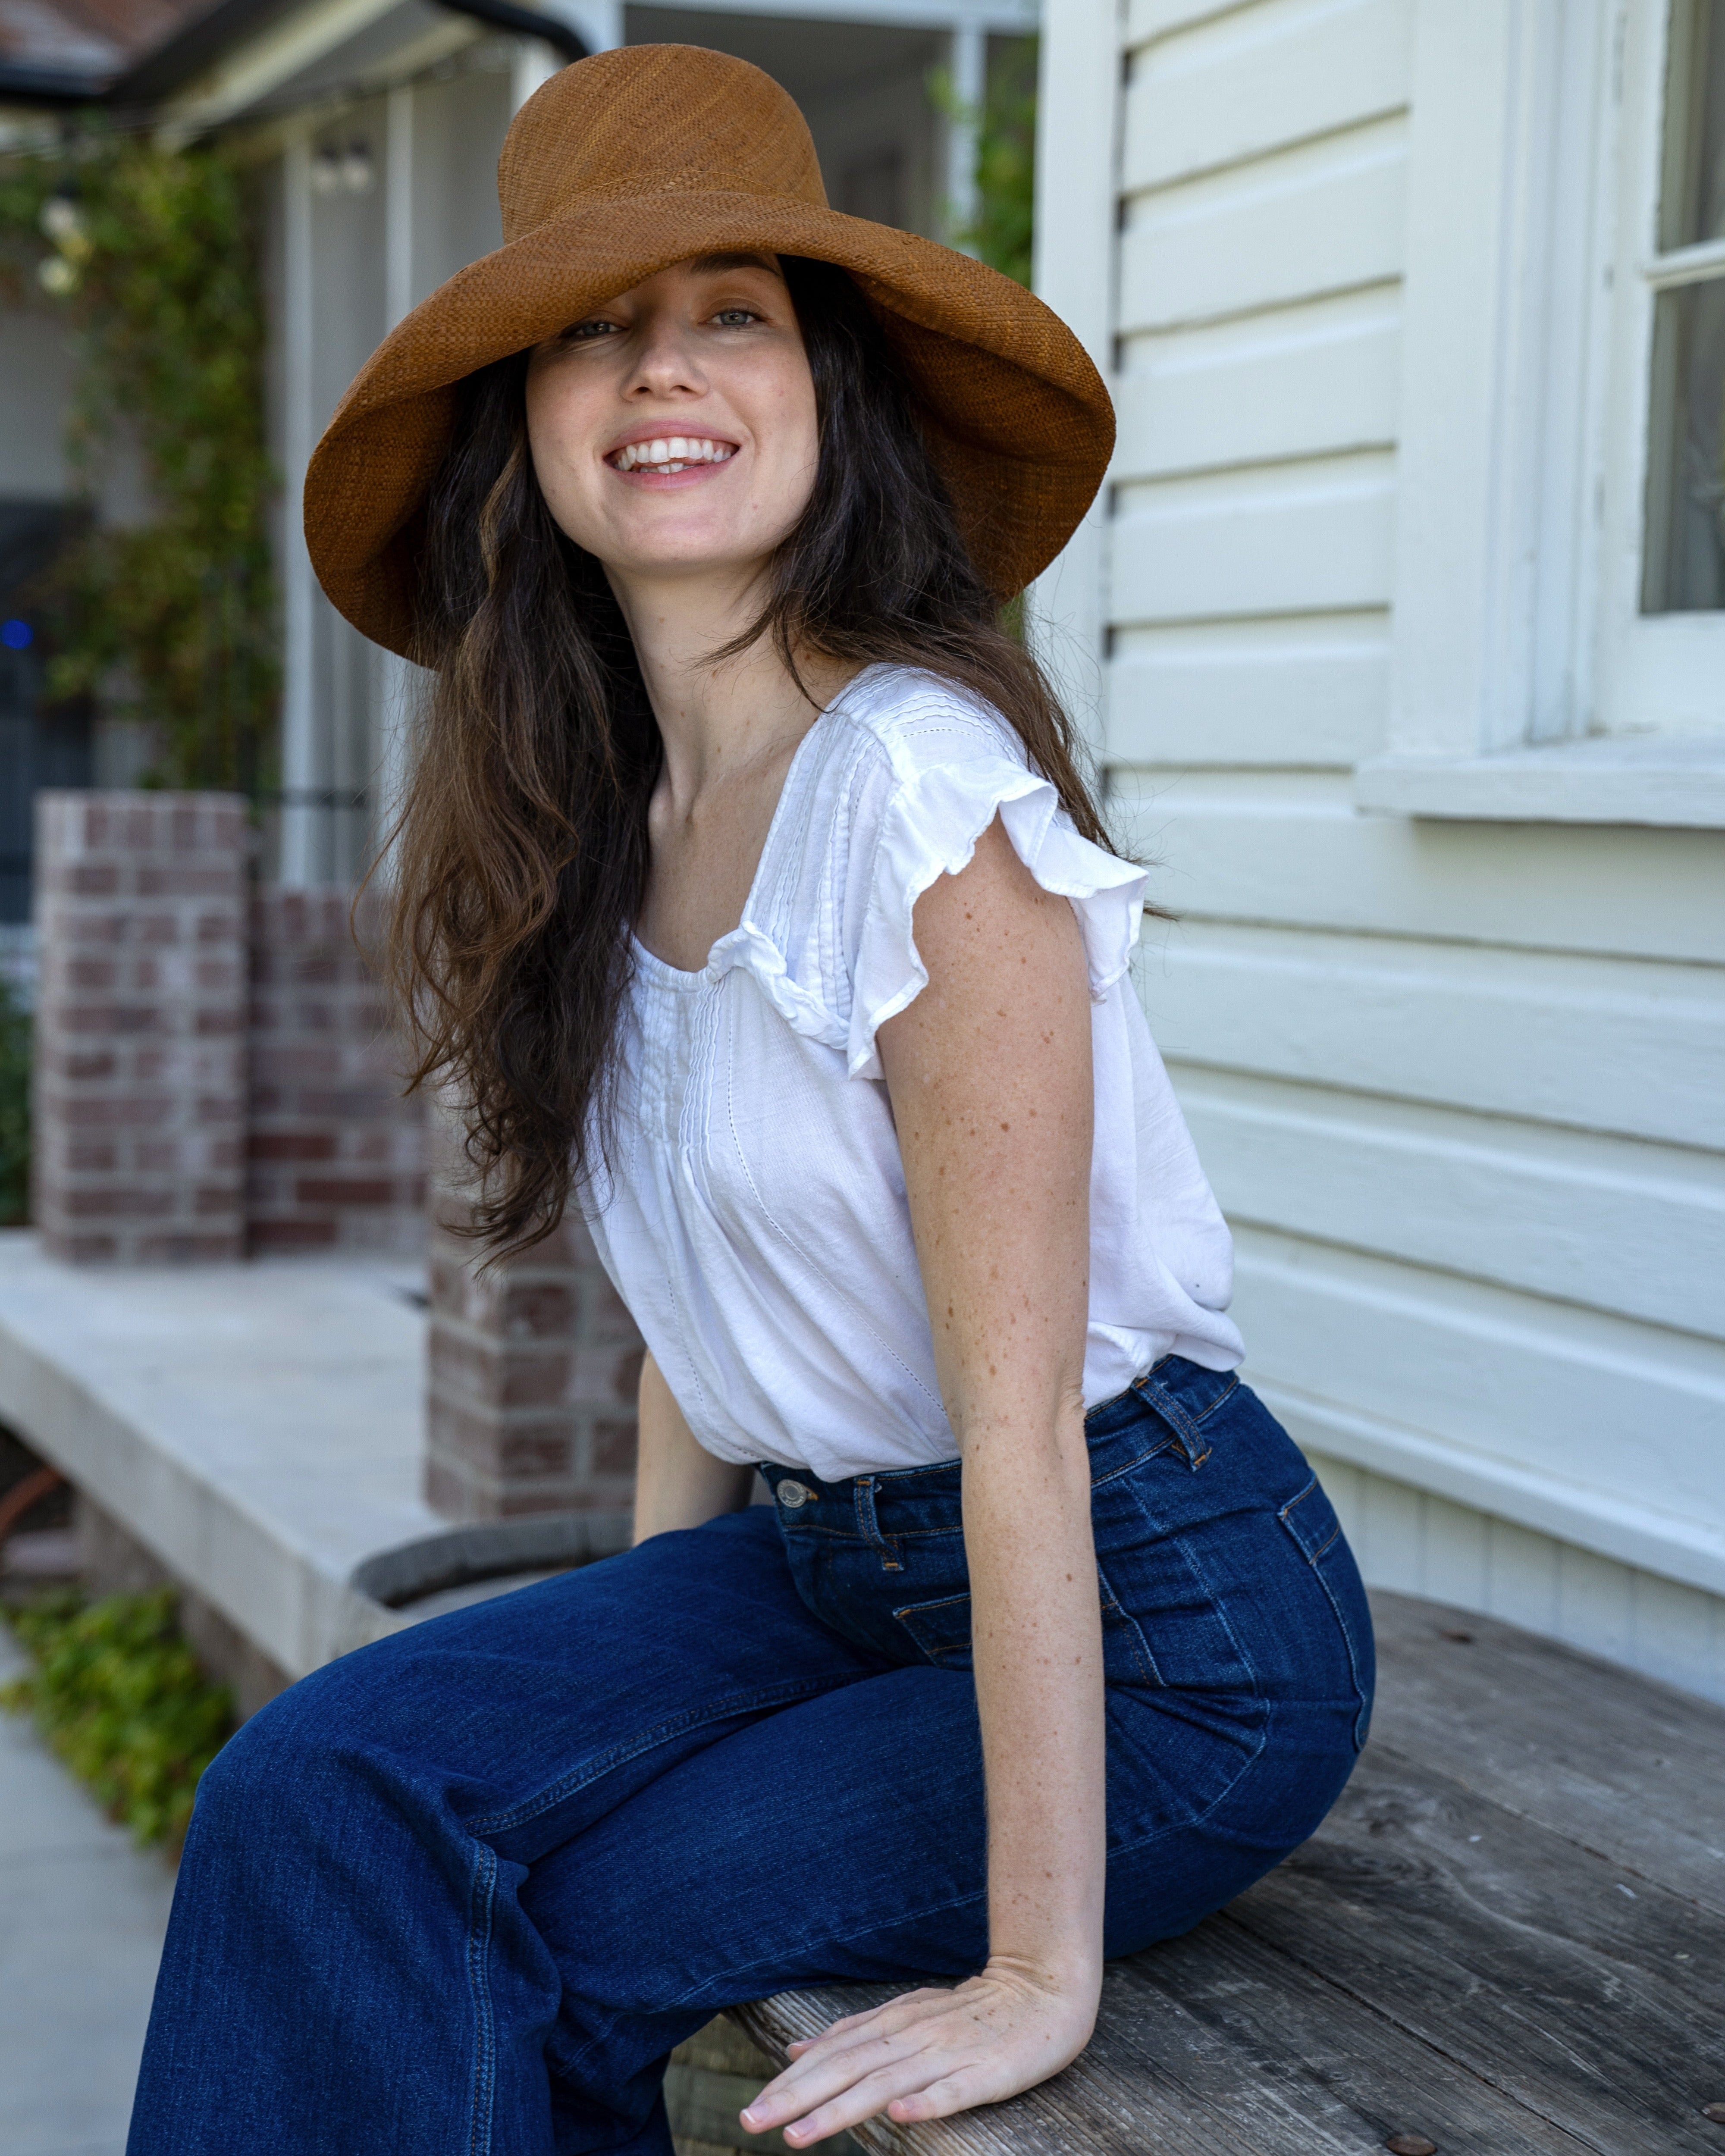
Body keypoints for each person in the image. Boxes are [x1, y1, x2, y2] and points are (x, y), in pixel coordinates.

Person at [127, 44, 1374, 2156]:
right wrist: (631, 1658)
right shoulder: (602, 819)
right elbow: (708, 1317)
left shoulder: (913, 794)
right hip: (818, 1565)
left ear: (830, 389)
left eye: (731, 316)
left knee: (561, 1928)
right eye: (593, 329)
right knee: (308, 1792)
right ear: (525, 430)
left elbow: (1017, 1439)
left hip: (1161, 1625)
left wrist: (1031, 1974)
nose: (660, 371)